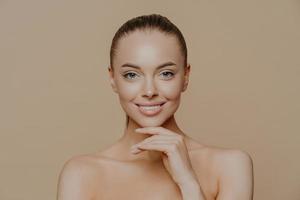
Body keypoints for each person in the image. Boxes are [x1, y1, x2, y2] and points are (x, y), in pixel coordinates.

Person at [57, 14, 254, 200]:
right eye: (132, 75)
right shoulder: (81, 174)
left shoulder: (230, 166)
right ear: (112, 79)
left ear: (185, 77)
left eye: (166, 73)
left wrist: (188, 182)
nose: (149, 91)